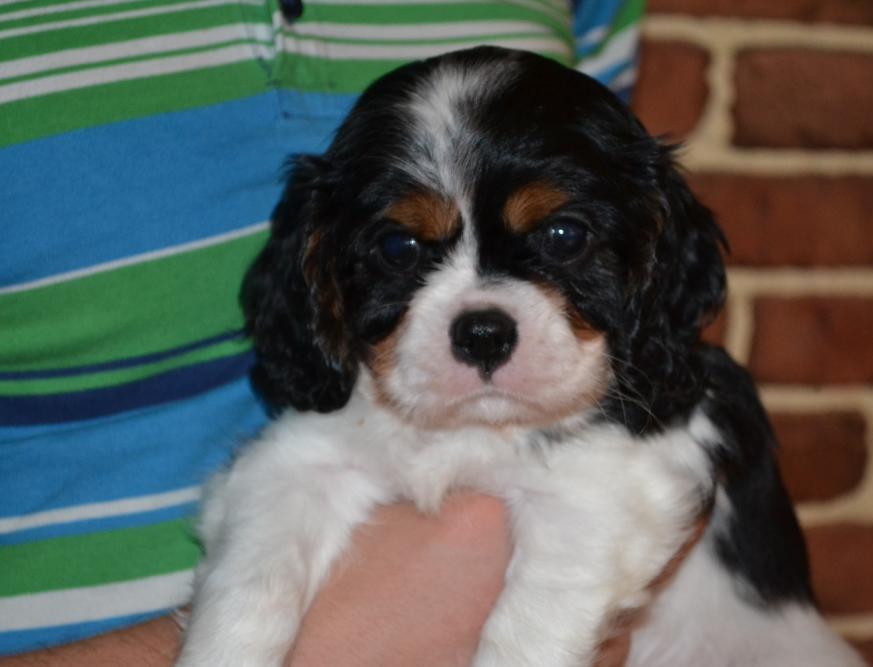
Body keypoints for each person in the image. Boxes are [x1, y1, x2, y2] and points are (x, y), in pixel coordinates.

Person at [0, 0, 642, 661]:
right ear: (321, 276)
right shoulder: (336, 428)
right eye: (399, 249)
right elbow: (289, 475)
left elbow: (633, 486)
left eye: (562, 238)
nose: (482, 318)